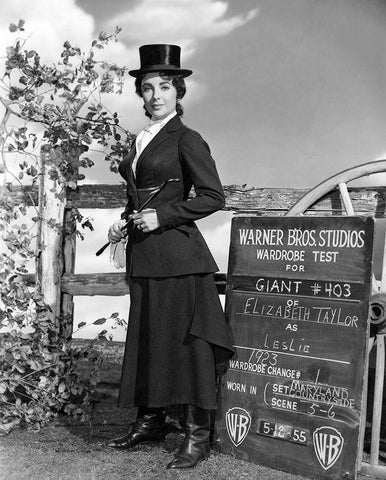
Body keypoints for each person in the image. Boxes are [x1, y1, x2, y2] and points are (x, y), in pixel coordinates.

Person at [107, 44, 234, 470]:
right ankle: (151, 421)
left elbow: (214, 197)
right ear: (140, 95)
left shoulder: (187, 138)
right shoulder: (140, 140)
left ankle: (198, 437)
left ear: (178, 92)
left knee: (189, 346)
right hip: (145, 257)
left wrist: (162, 216)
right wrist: (123, 222)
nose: (156, 95)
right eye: (148, 88)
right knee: (148, 337)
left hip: (181, 259)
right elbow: (139, 196)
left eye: (165, 86)